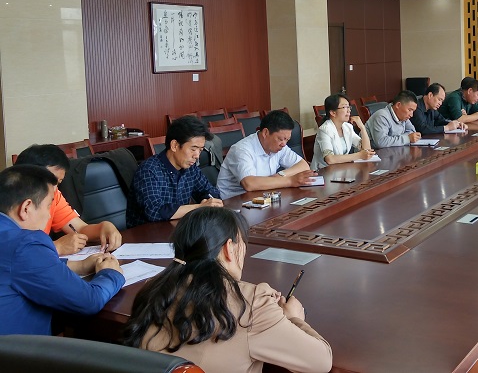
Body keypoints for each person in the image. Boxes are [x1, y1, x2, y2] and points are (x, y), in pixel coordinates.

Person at [122, 207, 332, 373]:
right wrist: (294, 318)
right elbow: (321, 362)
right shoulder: (251, 303)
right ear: (229, 248)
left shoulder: (153, 288)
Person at [0, 164, 124, 335]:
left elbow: (20, 269)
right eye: (48, 206)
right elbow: (89, 302)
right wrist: (111, 274)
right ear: (26, 208)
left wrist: (79, 266)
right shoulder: (24, 245)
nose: (49, 215)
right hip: (18, 351)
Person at [14, 144, 123, 255]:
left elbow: (80, 228)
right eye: (50, 181)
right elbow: (12, 254)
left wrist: (103, 227)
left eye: (58, 183)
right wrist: (57, 247)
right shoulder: (9, 204)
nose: (54, 189)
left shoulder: (54, 196)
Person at [127, 116, 223, 228]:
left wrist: (210, 201)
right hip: (146, 234)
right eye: (193, 149)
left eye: (200, 150)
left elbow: (210, 191)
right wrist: (199, 207)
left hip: (177, 229)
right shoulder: (149, 170)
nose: (197, 156)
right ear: (174, 145)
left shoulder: (190, 168)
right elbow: (154, 211)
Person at [217, 110, 315, 199]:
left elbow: (303, 165)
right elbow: (250, 184)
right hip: (234, 203)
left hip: (262, 198)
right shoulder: (242, 150)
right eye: (281, 139)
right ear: (265, 133)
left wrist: (281, 175)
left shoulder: (280, 146)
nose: (284, 144)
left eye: (287, 140)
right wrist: (290, 181)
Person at [311, 93, 374, 169]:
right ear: (333, 113)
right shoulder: (324, 130)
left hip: (341, 169)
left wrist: (362, 128)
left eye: (349, 107)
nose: (349, 110)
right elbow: (330, 159)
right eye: (344, 107)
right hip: (323, 171)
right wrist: (359, 155)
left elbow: (366, 150)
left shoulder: (347, 127)